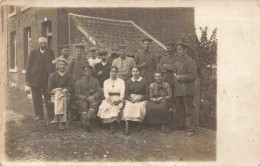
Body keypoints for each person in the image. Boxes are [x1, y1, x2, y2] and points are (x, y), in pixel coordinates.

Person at [172, 41, 198, 137]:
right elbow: (174, 72)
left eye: (181, 49)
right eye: (178, 49)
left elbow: (194, 75)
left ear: (185, 50)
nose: (179, 51)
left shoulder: (190, 61)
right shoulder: (177, 61)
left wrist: (181, 77)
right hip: (178, 90)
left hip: (187, 90)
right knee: (180, 109)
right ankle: (180, 125)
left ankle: (191, 129)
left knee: (189, 110)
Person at [26, 37, 55, 121]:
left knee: (48, 97)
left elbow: (53, 66)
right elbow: (29, 66)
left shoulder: (51, 52)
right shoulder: (33, 52)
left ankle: (51, 115)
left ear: (47, 44)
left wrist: (53, 77)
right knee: (36, 97)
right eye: (41, 43)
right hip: (35, 78)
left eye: (45, 43)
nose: (43, 45)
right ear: (38, 44)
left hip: (47, 78)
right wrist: (28, 80)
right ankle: (39, 115)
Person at [97, 66, 125, 134]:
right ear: (109, 73)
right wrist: (109, 101)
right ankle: (107, 123)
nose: (113, 73)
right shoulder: (106, 82)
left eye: (115, 71)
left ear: (117, 73)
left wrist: (118, 101)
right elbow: (106, 93)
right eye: (112, 71)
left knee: (115, 107)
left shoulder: (121, 81)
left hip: (118, 99)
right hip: (109, 99)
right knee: (104, 106)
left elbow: (122, 93)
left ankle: (112, 125)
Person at [48, 59, 73, 130]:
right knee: (61, 97)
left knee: (61, 95)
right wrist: (57, 90)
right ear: (57, 66)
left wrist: (66, 89)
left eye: (64, 65)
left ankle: (56, 117)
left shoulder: (68, 76)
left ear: (66, 66)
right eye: (60, 65)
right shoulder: (52, 75)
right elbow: (50, 89)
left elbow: (71, 87)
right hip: (54, 96)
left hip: (66, 94)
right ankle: (62, 122)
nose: (62, 66)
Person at [75, 64, 102, 132]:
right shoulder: (79, 81)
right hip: (82, 99)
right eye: (85, 71)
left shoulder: (95, 80)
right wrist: (85, 98)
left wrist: (93, 96)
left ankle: (86, 121)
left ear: (91, 72)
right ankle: (87, 122)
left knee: (93, 104)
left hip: (93, 99)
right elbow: (77, 94)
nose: (87, 72)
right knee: (83, 105)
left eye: (89, 71)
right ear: (83, 72)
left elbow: (99, 92)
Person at [122, 67, 149, 135]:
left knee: (140, 107)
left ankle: (139, 123)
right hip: (131, 98)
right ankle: (127, 125)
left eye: (137, 71)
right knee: (129, 106)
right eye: (133, 71)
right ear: (131, 72)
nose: (135, 73)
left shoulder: (144, 81)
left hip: (141, 98)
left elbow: (146, 94)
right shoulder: (128, 81)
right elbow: (126, 94)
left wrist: (139, 100)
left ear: (140, 72)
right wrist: (131, 99)